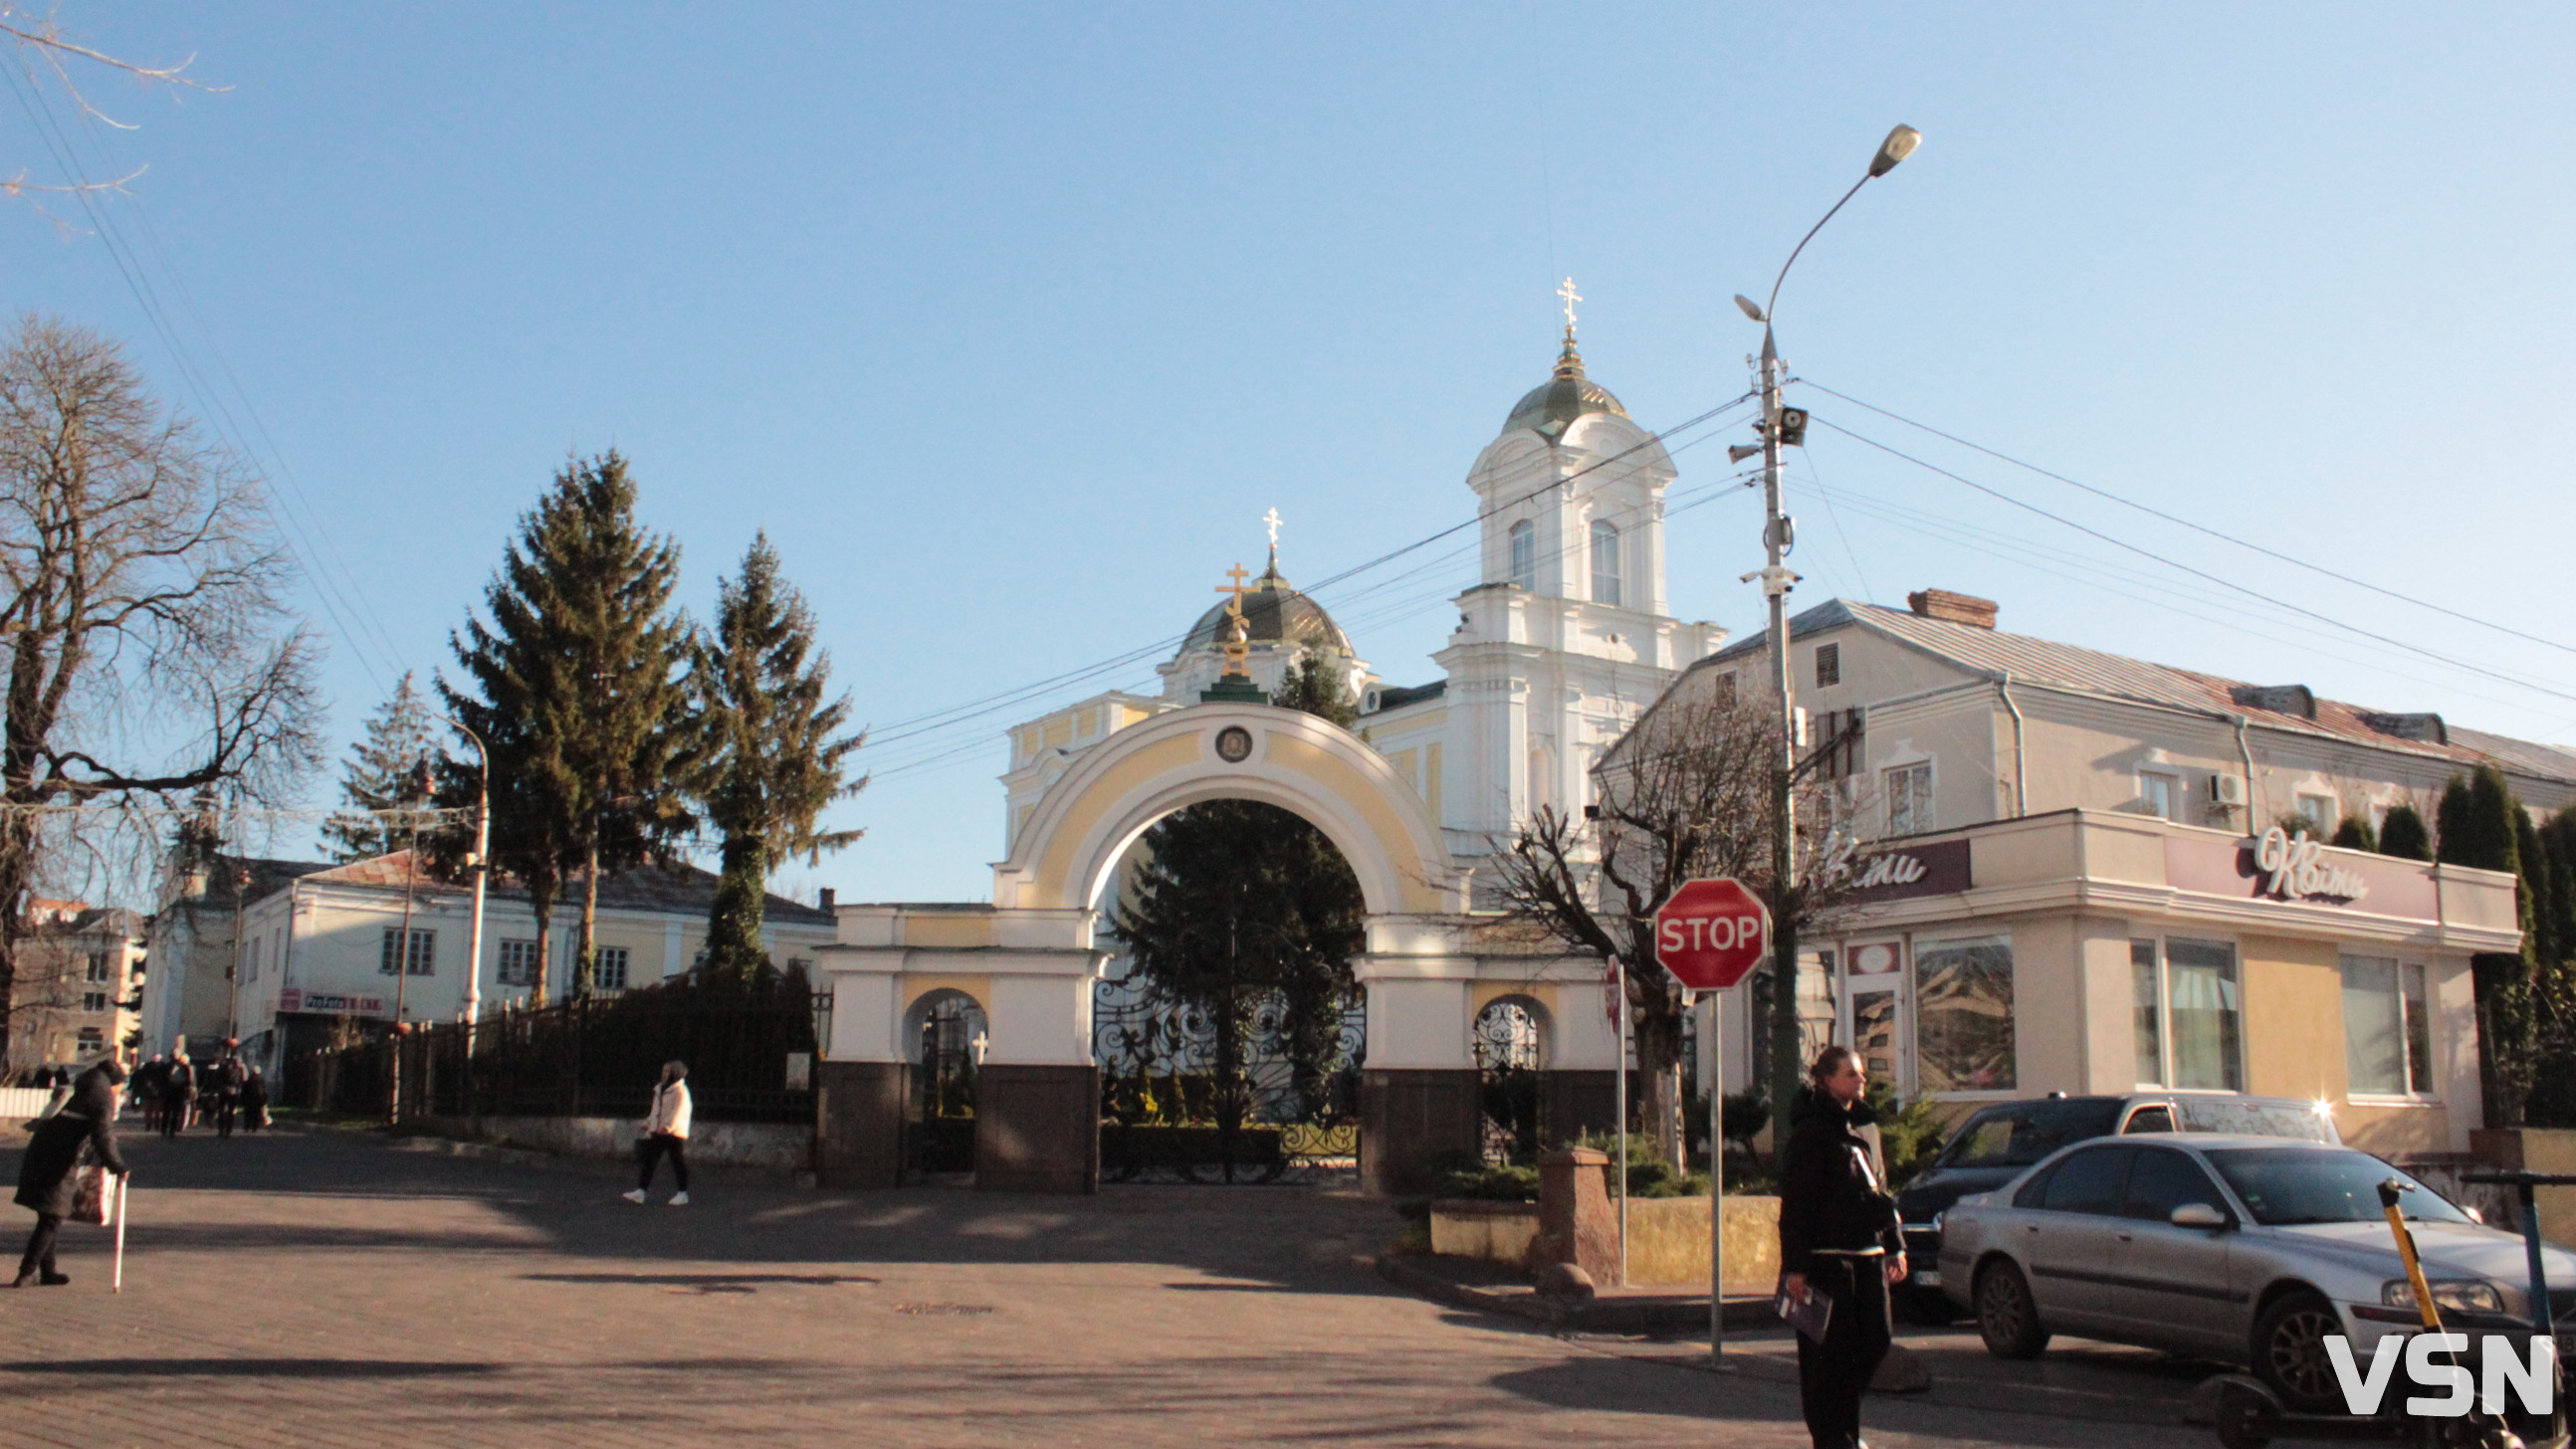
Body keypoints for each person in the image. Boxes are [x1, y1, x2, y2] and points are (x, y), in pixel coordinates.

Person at [1777, 1045, 1906, 1449]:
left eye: (1862, 1074)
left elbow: (1878, 1192)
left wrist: (1894, 1244)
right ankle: (1835, 1439)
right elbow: (1796, 1205)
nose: (1861, 1080)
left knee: (1875, 1341)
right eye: (1852, 1074)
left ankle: (1845, 1432)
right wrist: (1795, 1268)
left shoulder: (1864, 1128)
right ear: (1828, 1081)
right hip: (1827, 1264)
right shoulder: (1812, 1135)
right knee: (1825, 1361)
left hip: (1868, 1258)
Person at [12, 1060, 128, 1288]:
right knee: (52, 1217)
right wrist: (117, 1166)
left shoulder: (82, 1086)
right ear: (114, 1083)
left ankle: (48, 1271)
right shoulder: (102, 1095)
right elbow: (103, 1134)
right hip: (60, 1160)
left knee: (49, 1214)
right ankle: (27, 1272)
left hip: (42, 1154)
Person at [622, 1060, 692, 1206]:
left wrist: (668, 1127)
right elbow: (655, 1110)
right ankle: (640, 1192)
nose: (664, 1074)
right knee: (650, 1161)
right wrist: (649, 1123)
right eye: (663, 1071)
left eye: (667, 1071)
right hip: (658, 1130)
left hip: (673, 1133)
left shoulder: (680, 1090)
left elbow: (679, 1112)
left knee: (677, 1161)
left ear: (675, 1073)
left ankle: (682, 1193)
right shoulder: (660, 1089)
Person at [159, 1054, 194, 1138]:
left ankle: (165, 1130)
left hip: (171, 1091)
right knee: (175, 1113)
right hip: (178, 1091)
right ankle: (171, 1131)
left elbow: (162, 1079)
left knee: (168, 1112)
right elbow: (189, 1081)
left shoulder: (167, 1066)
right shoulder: (185, 1067)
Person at [238, 1064, 269, 1133]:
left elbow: (244, 1090)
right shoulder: (262, 1079)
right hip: (258, 1099)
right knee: (256, 1114)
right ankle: (255, 1127)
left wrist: (242, 1099)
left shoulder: (249, 1079)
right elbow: (264, 1090)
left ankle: (247, 1127)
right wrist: (264, 1099)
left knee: (248, 1114)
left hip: (249, 1099)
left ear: (252, 1071)